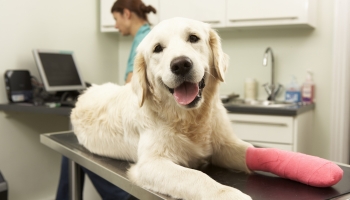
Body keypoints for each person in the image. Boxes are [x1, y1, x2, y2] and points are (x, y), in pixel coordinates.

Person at [55, 0, 156, 199]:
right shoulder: (147, 36)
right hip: (143, 119)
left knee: (79, 128)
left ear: (127, 14)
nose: (115, 25)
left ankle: (122, 195)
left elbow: (133, 89)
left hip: (144, 123)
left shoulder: (146, 40)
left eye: (116, 18)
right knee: (80, 131)